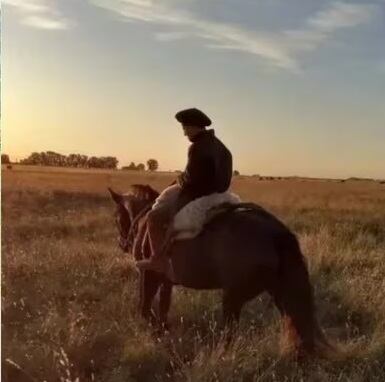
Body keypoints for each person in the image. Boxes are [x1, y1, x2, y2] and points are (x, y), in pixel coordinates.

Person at [136, 108, 233, 275]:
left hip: (198, 197)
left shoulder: (197, 147)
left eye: (186, 129)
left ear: (195, 127)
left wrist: (179, 180)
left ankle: (157, 260)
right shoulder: (222, 148)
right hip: (222, 196)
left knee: (153, 218)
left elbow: (190, 181)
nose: (184, 134)